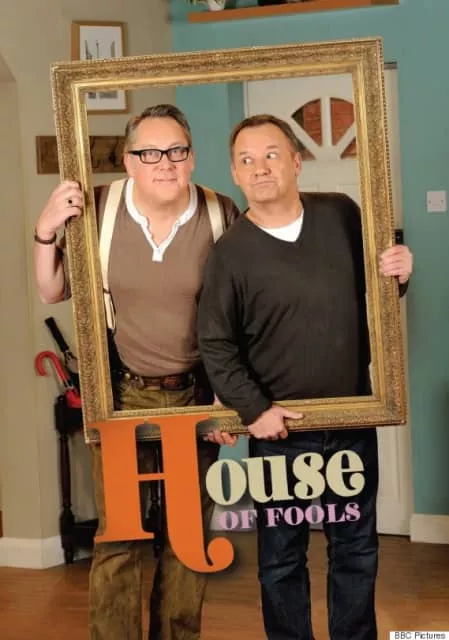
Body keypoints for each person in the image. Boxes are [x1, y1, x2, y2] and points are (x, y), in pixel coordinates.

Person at [197, 114, 413, 640]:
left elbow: (379, 290)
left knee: (356, 548)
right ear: (235, 174)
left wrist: (401, 273)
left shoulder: (341, 214)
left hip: (351, 420)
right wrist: (255, 411)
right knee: (281, 556)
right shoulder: (228, 254)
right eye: (246, 160)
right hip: (279, 432)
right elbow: (216, 344)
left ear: (296, 161)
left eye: (271, 154)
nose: (260, 168)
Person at [33, 104, 239, 640]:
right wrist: (45, 231)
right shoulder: (99, 209)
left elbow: (244, 310)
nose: (164, 162)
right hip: (122, 394)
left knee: (187, 538)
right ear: (128, 161)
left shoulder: (221, 213)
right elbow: (53, 291)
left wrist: (229, 397)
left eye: (176, 151)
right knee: (120, 537)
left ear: (191, 158)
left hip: (197, 394)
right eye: (150, 152)